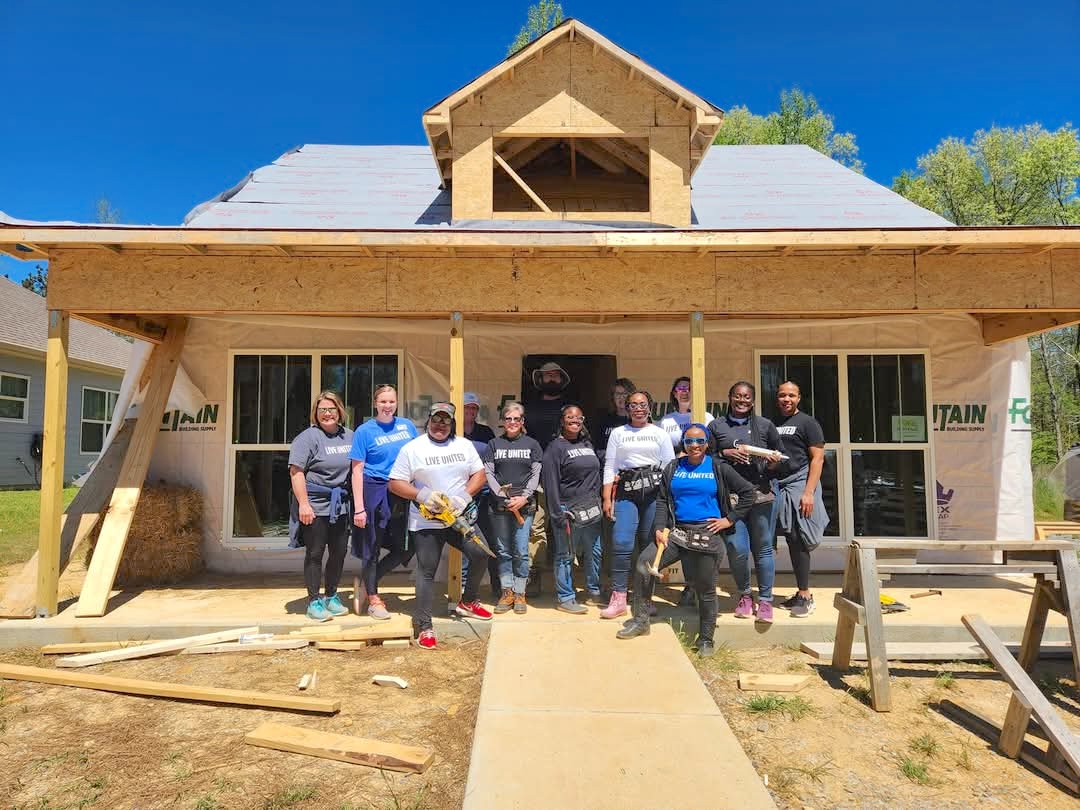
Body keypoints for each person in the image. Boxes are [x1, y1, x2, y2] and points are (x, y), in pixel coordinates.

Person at [617, 424, 756, 655]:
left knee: (706, 588)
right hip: (676, 533)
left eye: (699, 441)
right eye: (689, 441)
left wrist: (729, 519)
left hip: (706, 534)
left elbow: (748, 493)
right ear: (683, 443)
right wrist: (660, 527)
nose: (694, 446)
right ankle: (641, 621)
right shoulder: (674, 467)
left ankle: (705, 640)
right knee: (644, 564)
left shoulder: (718, 467)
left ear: (707, 442)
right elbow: (662, 499)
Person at [389, 402, 494, 650]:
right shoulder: (413, 448)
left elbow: (480, 474)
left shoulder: (464, 445)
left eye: (445, 421)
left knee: (480, 553)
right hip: (427, 519)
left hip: (458, 516)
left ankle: (468, 601)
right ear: (428, 421)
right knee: (427, 570)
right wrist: (422, 496)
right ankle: (424, 625)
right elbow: (395, 483)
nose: (440, 425)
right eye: (436, 420)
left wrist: (464, 497)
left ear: (452, 423)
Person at [708, 381, 784, 623]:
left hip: (761, 494)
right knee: (737, 549)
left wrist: (772, 460)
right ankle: (744, 595)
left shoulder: (765, 425)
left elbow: (780, 459)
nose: (742, 400)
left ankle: (765, 600)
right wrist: (725, 453)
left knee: (762, 548)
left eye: (747, 397)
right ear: (730, 398)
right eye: (738, 396)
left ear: (753, 400)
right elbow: (705, 457)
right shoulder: (717, 426)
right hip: (731, 498)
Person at [601, 390, 676, 619]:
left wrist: (668, 499)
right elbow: (610, 465)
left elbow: (669, 466)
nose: (638, 408)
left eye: (642, 404)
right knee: (622, 541)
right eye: (633, 404)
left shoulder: (659, 433)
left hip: (654, 494)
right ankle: (619, 597)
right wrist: (606, 497)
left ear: (649, 407)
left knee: (648, 546)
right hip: (626, 492)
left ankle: (644, 599)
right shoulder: (618, 433)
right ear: (627, 408)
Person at [349, 384, 417, 620]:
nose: (387, 406)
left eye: (391, 401)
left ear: (397, 402)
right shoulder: (365, 431)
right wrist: (359, 507)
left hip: (401, 489)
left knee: (407, 546)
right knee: (372, 546)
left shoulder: (406, 426)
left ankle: (370, 581)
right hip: (374, 489)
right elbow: (356, 471)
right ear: (375, 404)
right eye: (383, 402)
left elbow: (417, 458)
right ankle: (374, 599)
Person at [288, 391, 354, 622]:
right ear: (316, 414)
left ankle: (332, 596)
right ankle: (314, 601)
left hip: (340, 506)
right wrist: (304, 505)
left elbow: (357, 470)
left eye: (332, 409)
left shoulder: (350, 436)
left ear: (340, 411)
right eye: (322, 410)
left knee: (339, 552)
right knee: (315, 553)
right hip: (315, 504)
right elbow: (296, 472)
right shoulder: (308, 438)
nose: (327, 414)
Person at [773, 381, 828, 618]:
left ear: (799, 398)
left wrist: (808, 492)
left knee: (798, 538)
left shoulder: (808, 422)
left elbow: (818, 459)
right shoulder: (773, 424)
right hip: (778, 485)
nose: (787, 399)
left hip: (800, 483)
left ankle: (805, 595)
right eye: (782, 395)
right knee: (778, 536)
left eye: (791, 395)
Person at [543, 404, 603, 613]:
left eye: (578, 417)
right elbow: (550, 484)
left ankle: (594, 591)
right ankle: (566, 597)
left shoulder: (587, 443)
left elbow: (596, 474)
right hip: (569, 510)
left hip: (592, 508)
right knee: (565, 554)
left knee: (594, 552)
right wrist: (557, 513)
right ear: (562, 421)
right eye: (570, 417)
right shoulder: (555, 448)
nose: (575, 420)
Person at [484, 401, 543, 614]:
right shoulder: (493, 444)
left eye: (516, 419)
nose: (512, 422)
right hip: (499, 506)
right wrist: (501, 493)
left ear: (522, 421)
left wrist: (524, 497)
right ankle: (506, 591)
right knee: (503, 551)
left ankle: (520, 593)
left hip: (524, 507)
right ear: (503, 422)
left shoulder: (532, 445)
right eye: (508, 419)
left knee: (520, 551)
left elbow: (536, 474)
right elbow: (488, 473)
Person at [461, 391, 499, 599]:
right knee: (469, 541)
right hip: (464, 495)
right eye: (467, 407)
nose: (470, 411)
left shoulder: (485, 432)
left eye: (474, 408)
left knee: (491, 540)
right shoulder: (454, 432)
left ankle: (497, 587)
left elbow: (494, 462)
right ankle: (465, 589)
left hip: (485, 493)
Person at [658, 376, 714, 452]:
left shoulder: (707, 417)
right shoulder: (666, 420)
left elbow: (712, 444)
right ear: (674, 393)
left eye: (689, 389)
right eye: (680, 389)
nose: (685, 392)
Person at [595, 378, 636, 451]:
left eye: (625, 393)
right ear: (613, 397)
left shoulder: (637, 420)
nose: (621, 397)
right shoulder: (604, 421)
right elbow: (599, 448)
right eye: (618, 394)